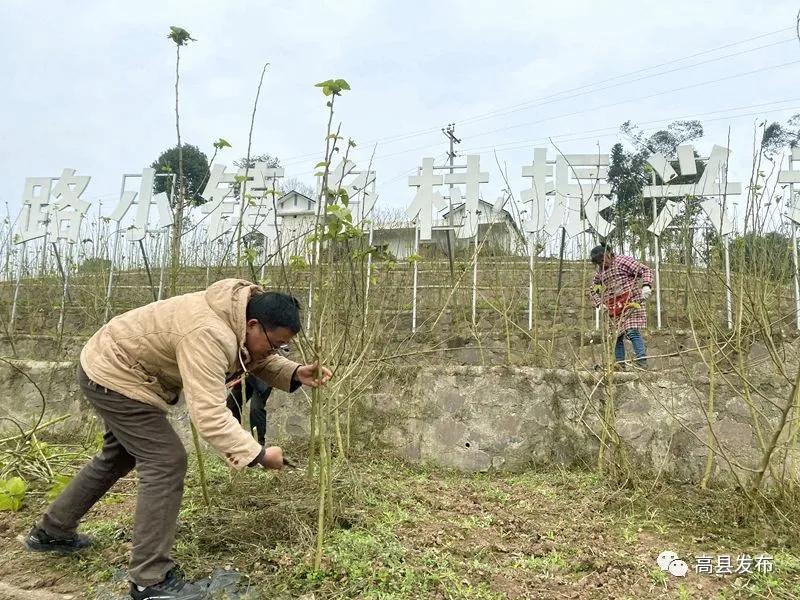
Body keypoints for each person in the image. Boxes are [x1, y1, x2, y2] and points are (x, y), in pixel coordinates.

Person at [24, 279, 332, 600]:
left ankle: (52, 531)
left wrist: (294, 372)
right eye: (275, 344)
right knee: (166, 461)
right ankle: (149, 580)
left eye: (283, 348)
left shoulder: (240, 316)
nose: (274, 351)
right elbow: (210, 415)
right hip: (115, 371)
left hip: (119, 365)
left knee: (118, 456)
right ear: (253, 324)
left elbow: (254, 353)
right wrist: (257, 454)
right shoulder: (208, 333)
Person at [588, 243, 653, 369]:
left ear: (608, 254)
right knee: (616, 337)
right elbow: (592, 290)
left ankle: (641, 362)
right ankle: (619, 365)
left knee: (632, 331)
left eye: (602, 261)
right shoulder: (600, 272)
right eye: (598, 263)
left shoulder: (623, 261)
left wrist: (646, 285)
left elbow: (645, 270)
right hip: (614, 307)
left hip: (630, 302)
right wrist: (599, 303)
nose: (602, 265)